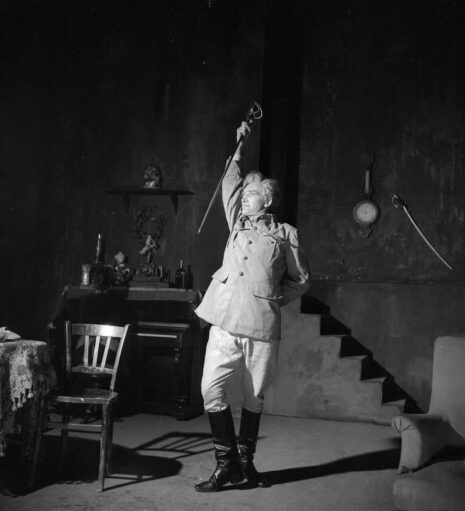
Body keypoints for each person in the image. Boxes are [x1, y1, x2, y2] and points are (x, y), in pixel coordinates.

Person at [194, 122, 310, 492]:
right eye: (245, 193)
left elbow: (302, 280)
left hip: (261, 326)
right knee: (211, 390)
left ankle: (244, 466)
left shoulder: (285, 234)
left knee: (254, 398)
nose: (245, 197)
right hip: (225, 320)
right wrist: (239, 145)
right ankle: (225, 464)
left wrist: (273, 298)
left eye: (253, 193)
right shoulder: (235, 224)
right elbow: (230, 182)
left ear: (269, 200)